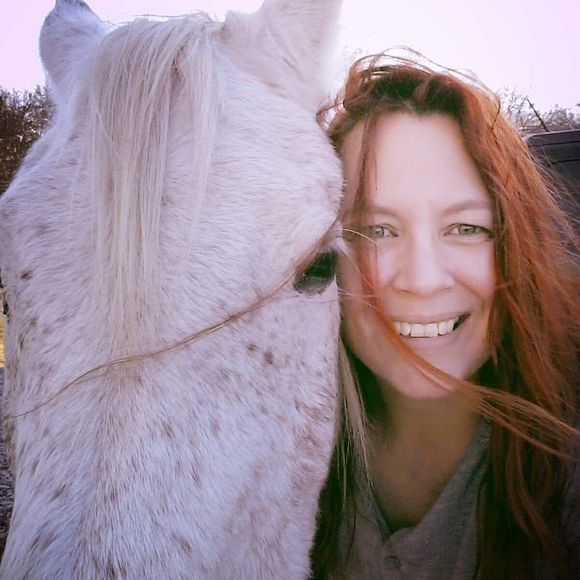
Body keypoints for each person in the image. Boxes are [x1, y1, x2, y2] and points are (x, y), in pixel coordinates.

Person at [312, 54, 579, 579]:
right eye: (375, 231)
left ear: (517, 248)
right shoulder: (276, 467)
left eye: (465, 228)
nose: (423, 279)